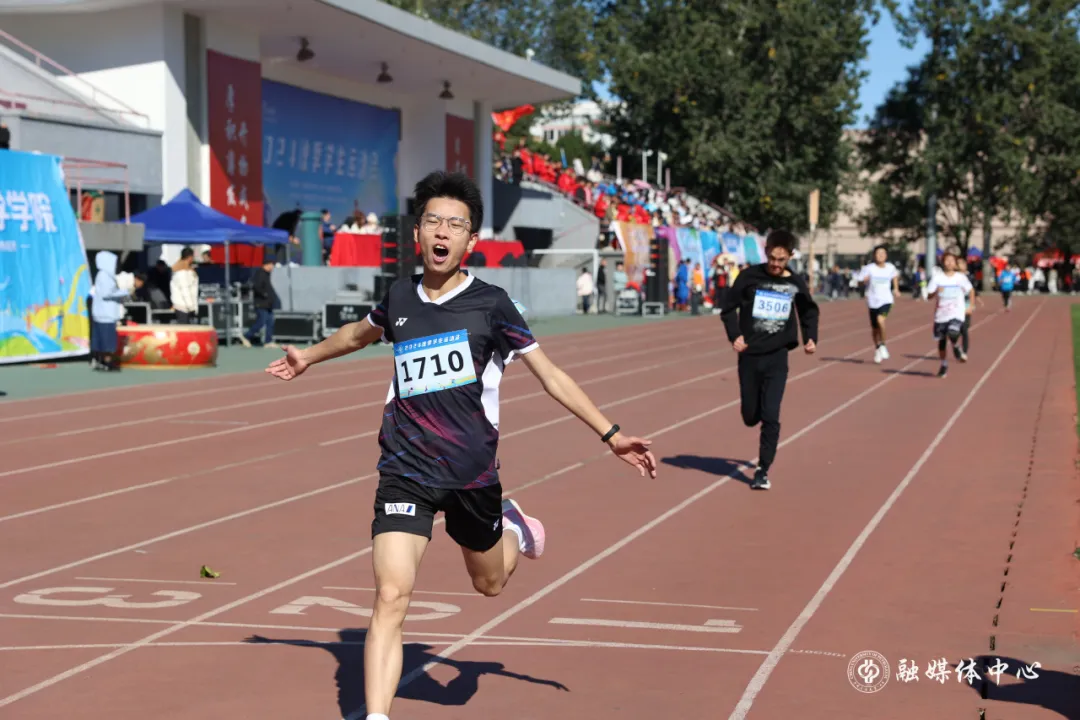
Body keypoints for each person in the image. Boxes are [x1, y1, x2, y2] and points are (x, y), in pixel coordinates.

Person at [264, 170, 657, 720]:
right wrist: (308, 356)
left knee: (489, 584)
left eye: (455, 224)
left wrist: (611, 435)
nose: (442, 231)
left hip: (472, 475)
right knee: (390, 595)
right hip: (405, 470)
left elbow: (550, 375)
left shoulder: (491, 305)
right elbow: (359, 333)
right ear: (418, 233)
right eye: (433, 221)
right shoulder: (400, 296)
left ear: (471, 240)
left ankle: (513, 527)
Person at [721, 229, 819, 490]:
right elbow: (728, 308)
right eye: (773, 258)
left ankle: (762, 469)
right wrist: (735, 335)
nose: (776, 264)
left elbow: (808, 311)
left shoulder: (794, 282)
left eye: (781, 260)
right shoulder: (749, 277)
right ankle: (752, 416)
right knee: (750, 416)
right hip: (749, 356)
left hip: (777, 357)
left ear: (790, 257)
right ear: (766, 253)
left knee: (771, 415)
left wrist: (811, 337)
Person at [926, 251, 975, 378]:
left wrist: (970, 306)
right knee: (941, 342)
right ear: (943, 262)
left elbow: (971, 291)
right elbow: (928, 296)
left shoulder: (960, 278)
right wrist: (936, 291)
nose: (949, 263)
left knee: (953, 331)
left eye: (952, 261)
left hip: (956, 312)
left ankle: (956, 347)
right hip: (941, 314)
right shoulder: (937, 278)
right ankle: (944, 364)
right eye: (947, 260)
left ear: (955, 263)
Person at [854, 245, 900, 364]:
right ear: (874, 256)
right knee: (875, 329)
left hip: (886, 300)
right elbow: (859, 282)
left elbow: (895, 277)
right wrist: (863, 282)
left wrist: (896, 289)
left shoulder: (890, 267)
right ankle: (877, 347)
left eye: (883, 253)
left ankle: (883, 345)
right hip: (872, 301)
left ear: (886, 255)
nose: (880, 255)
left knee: (881, 320)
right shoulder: (868, 268)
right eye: (878, 253)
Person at [90, 250, 132, 371]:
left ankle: (100, 361)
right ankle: (107, 362)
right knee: (107, 340)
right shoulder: (105, 276)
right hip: (106, 313)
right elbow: (107, 293)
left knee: (101, 339)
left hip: (102, 312)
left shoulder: (103, 275)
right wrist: (124, 292)